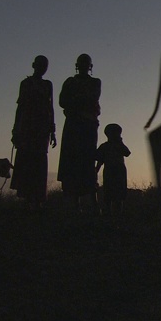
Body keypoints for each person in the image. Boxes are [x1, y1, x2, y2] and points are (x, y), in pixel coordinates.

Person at [10, 55, 56, 210]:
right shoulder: (26, 83)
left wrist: (52, 130)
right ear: (34, 65)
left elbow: (51, 108)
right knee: (27, 160)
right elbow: (20, 107)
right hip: (27, 127)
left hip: (42, 129)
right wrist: (16, 129)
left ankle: (37, 199)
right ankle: (27, 199)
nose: (43, 68)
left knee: (39, 162)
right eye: (41, 65)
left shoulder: (48, 85)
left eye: (45, 65)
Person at [57, 54, 101, 212]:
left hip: (88, 127)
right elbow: (62, 101)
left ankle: (90, 202)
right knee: (71, 161)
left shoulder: (95, 82)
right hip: (73, 126)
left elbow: (92, 98)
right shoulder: (70, 82)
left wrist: (75, 100)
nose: (84, 66)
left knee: (87, 162)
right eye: (81, 63)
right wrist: (80, 100)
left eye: (86, 64)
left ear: (89, 66)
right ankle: (72, 202)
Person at [95, 123, 131, 214]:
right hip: (110, 172)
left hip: (119, 172)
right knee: (108, 194)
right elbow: (99, 160)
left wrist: (120, 142)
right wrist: (95, 171)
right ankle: (108, 214)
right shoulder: (104, 147)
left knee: (119, 196)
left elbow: (127, 153)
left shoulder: (118, 146)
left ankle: (117, 215)